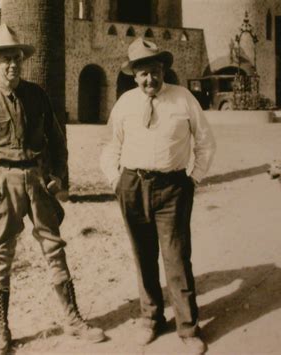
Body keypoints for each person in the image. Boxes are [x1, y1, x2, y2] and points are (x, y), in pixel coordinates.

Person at [0, 23, 105, 354]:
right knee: (3, 254)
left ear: (22, 61)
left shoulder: (37, 95)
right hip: (2, 185)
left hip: (37, 182)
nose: (12, 65)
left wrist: (58, 178)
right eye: (4, 59)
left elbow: (57, 141)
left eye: (16, 58)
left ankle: (72, 318)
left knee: (54, 248)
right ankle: (2, 327)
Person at [100, 37, 216, 354]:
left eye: (154, 71)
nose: (149, 79)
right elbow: (111, 145)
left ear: (162, 69)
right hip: (132, 185)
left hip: (173, 188)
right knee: (143, 256)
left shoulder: (183, 99)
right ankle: (151, 319)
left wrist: (193, 179)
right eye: (142, 73)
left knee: (176, 258)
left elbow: (205, 143)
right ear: (134, 75)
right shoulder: (124, 103)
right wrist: (115, 180)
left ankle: (188, 329)